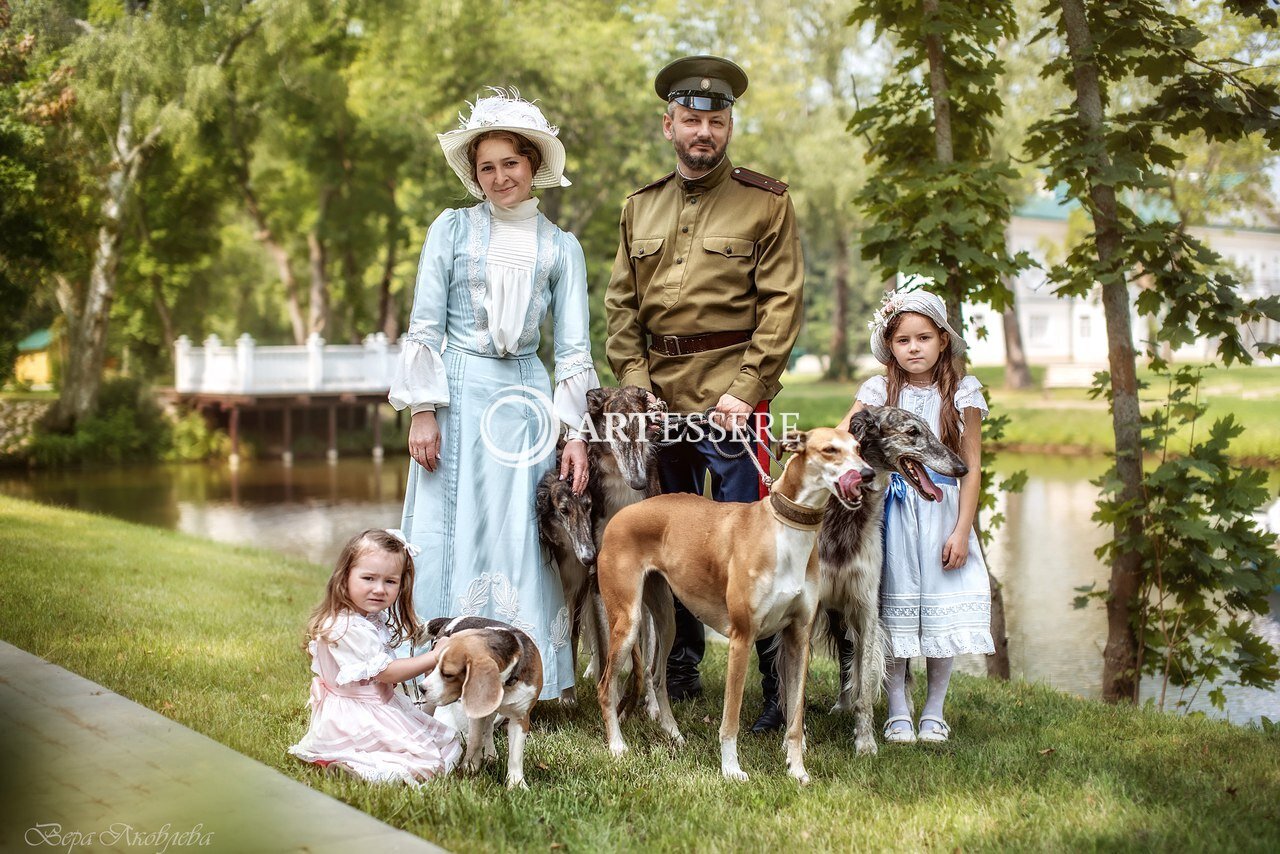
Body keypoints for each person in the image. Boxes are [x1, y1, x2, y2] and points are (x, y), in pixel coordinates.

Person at [604, 55, 804, 733]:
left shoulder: (766, 202)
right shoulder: (640, 206)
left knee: (760, 541)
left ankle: (777, 694)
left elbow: (781, 308)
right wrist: (636, 389)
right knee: (674, 539)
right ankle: (679, 671)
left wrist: (745, 393)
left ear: (728, 126)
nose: (704, 132)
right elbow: (621, 308)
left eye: (716, 121)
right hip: (659, 400)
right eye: (691, 120)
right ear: (669, 125)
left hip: (732, 398)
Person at [389, 89, 599, 701]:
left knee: (518, 532)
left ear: (533, 165)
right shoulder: (449, 228)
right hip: (457, 391)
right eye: (487, 166)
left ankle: (519, 678)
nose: (500, 176)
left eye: (511, 163)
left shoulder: (562, 247)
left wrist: (576, 434)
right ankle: (434, 672)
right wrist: (423, 410)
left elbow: (572, 350)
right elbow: (425, 323)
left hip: (525, 404)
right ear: (474, 173)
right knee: (449, 527)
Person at [837, 289, 995, 744]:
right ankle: (898, 708)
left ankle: (934, 710)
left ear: (943, 341)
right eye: (903, 340)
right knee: (893, 608)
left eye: (923, 337)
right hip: (890, 516)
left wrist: (962, 530)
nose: (914, 348)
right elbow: (845, 438)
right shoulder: (877, 391)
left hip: (941, 513)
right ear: (890, 345)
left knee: (940, 612)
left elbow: (971, 466)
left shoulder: (963, 392)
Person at [289, 528, 462, 783]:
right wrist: (436, 656)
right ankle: (366, 773)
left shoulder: (365, 617)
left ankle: (356, 764)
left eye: (390, 581)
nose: (379, 589)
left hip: (370, 706)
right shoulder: (346, 626)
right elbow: (387, 672)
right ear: (344, 577)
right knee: (432, 759)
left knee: (445, 741)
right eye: (368, 578)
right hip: (357, 715)